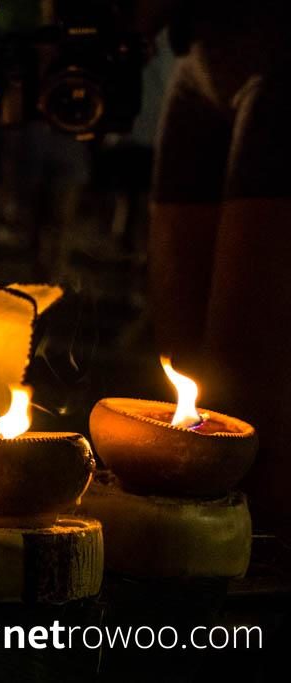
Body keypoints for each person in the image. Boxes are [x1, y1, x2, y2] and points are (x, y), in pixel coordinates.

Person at [146, 0, 291, 530]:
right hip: (199, 53)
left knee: (251, 386)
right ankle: (201, 550)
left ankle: (262, 564)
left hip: (278, 50)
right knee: (189, 384)